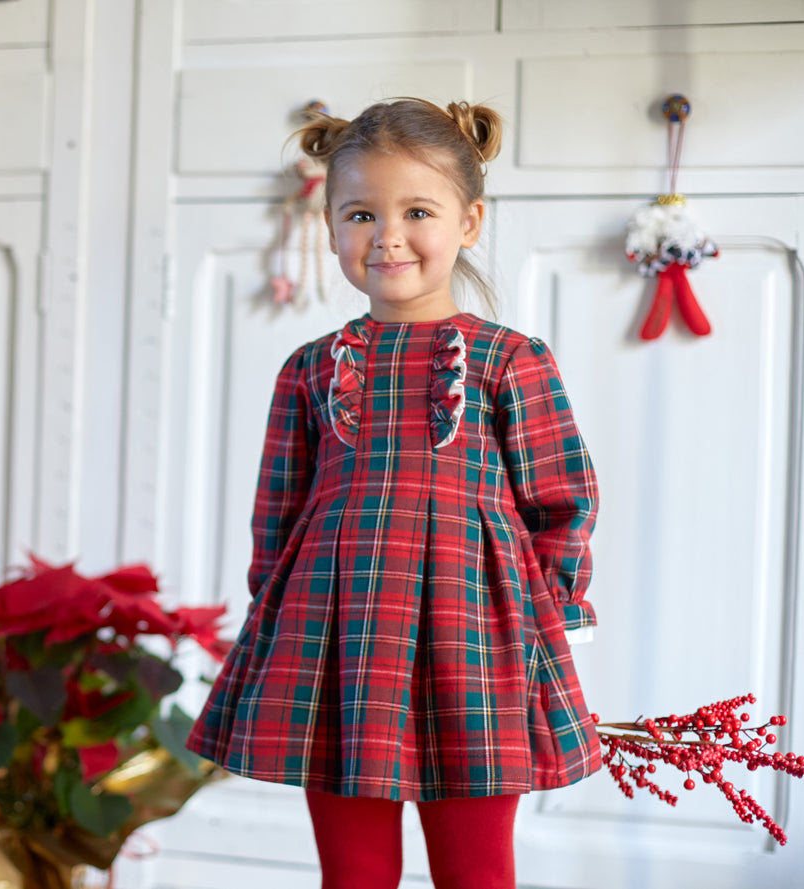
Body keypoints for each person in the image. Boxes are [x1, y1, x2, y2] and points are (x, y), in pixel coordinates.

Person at [186, 98, 601, 889]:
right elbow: (276, 513)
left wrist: (555, 615)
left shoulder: (511, 360)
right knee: (354, 874)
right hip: (333, 647)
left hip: (477, 646)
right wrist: (273, 614)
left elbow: (561, 501)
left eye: (417, 211)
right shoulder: (310, 368)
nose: (387, 236)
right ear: (329, 224)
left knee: (477, 874)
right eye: (360, 214)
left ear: (469, 221)